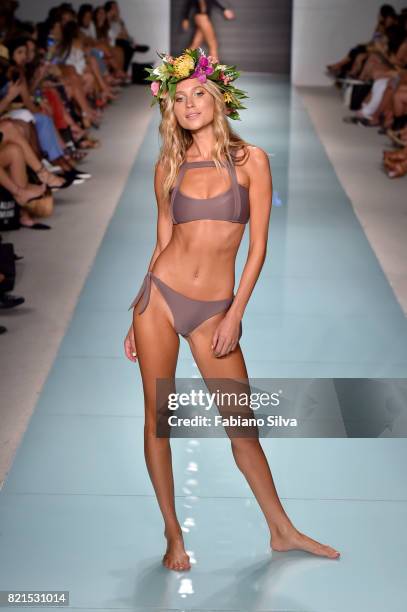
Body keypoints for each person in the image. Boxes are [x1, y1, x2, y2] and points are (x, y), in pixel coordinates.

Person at [123, 48, 341, 571]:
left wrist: (235, 313)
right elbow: (160, 244)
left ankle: (281, 529)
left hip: (215, 309)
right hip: (158, 301)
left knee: (242, 428)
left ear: (218, 100)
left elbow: (258, 247)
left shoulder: (252, 161)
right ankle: (173, 534)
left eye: (199, 93)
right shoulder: (168, 167)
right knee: (159, 422)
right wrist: (134, 306)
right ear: (170, 110)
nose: (190, 104)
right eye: (179, 98)